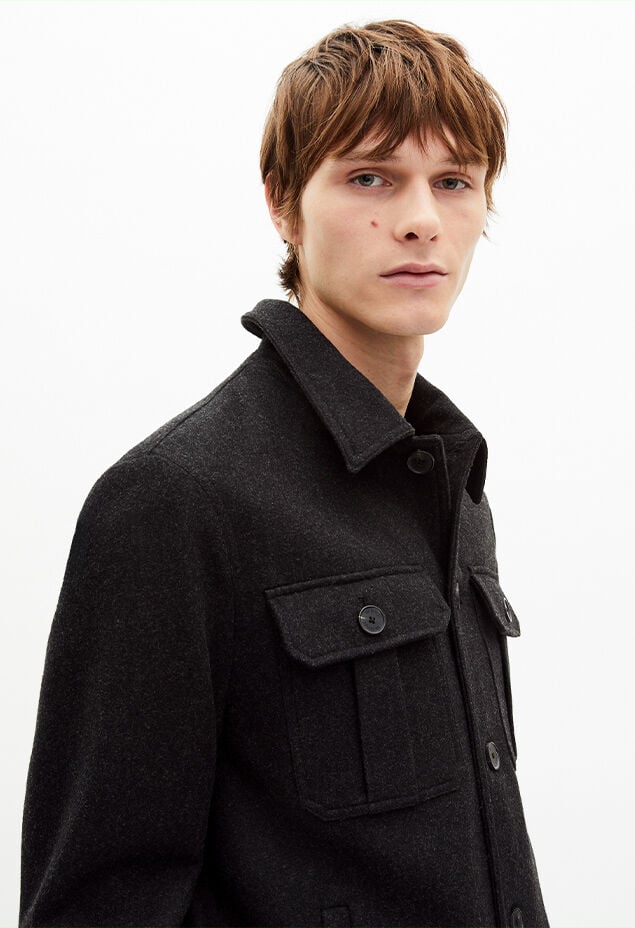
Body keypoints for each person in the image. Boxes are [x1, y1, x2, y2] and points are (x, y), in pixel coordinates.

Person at [19, 19, 550, 928]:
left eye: (453, 181)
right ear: (281, 203)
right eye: (369, 177)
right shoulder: (174, 502)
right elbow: (99, 902)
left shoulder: (452, 484)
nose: (420, 219)